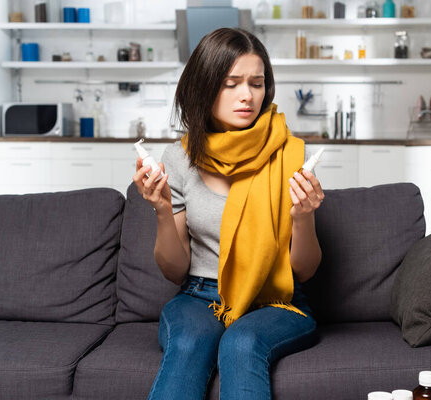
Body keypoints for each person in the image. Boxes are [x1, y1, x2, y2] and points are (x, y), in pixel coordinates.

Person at [132, 27, 325, 400]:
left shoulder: (292, 155)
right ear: (205, 87)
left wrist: (303, 217)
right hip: (200, 296)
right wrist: (161, 210)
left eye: (256, 83)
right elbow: (174, 270)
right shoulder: (180, 158)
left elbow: (304, 269)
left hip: (276, 300)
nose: (246, 95)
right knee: (187, 342)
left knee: (242, 340)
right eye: (231, 83)